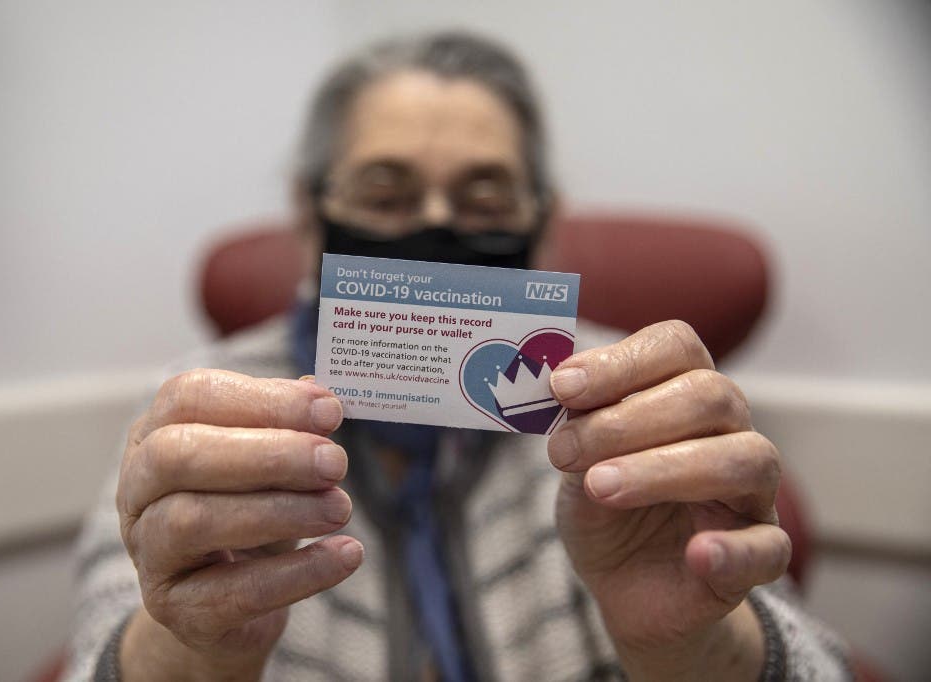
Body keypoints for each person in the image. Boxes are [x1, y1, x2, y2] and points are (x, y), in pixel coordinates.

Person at [65, 32, 852, 681]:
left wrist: (702, 649)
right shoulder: (202, 413)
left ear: (544, 228)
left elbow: (816, 661)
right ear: (308, 216)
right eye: (383, 195)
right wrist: (188, 648)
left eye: (484, 201)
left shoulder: (630, 403)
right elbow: (99, 640)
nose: (435, 229)